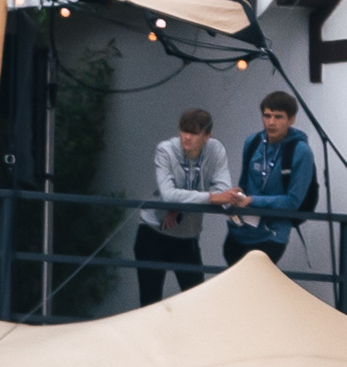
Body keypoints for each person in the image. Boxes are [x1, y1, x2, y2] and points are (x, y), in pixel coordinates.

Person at [138, 109, 231, 301]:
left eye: (194, 133)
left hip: (187, 234)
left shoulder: (216, 150)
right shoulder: (166, 149)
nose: (186, 137)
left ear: (207, 136)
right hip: (154, 231)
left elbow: (225, 191)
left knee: (195, 301)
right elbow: (168, 195)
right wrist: (210, 198)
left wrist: (186, 202)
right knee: (149, 302)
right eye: (183, 131)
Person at [225, 88, 321, 271]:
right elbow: (244, 182)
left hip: (271, 234)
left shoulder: (301, 152)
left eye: (278, 117)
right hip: (241, 231)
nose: (271, 122)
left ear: (291, 120)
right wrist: (236, 196)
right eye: (267, 116)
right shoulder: (252, 142)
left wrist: (252, 200)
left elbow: (293, 201)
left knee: (255, 285)